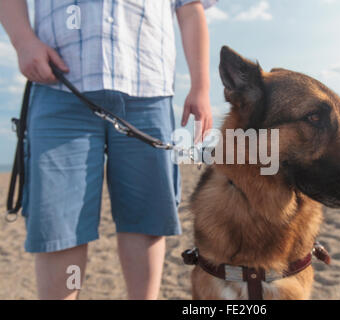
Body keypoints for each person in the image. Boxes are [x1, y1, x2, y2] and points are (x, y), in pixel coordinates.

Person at [0, 0, 214, 300]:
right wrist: (24, 41)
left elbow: (190, 7)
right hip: (58, 88)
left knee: (146, 221)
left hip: (148, 89)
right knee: (60, 226)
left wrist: (201, 86)